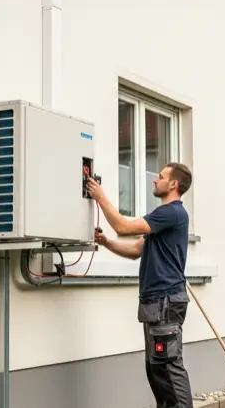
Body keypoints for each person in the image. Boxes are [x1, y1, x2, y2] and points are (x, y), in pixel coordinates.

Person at [86, 162, 194, 408]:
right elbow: (136, 250)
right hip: (156, 303)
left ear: (174, 184)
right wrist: (106, 242)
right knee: (157, 370)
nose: (155, 180)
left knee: (168, 368)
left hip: (165, 302)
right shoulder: (164, 218)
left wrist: (101, 197)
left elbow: (123, 227)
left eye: (161, 176)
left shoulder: (172, 212)